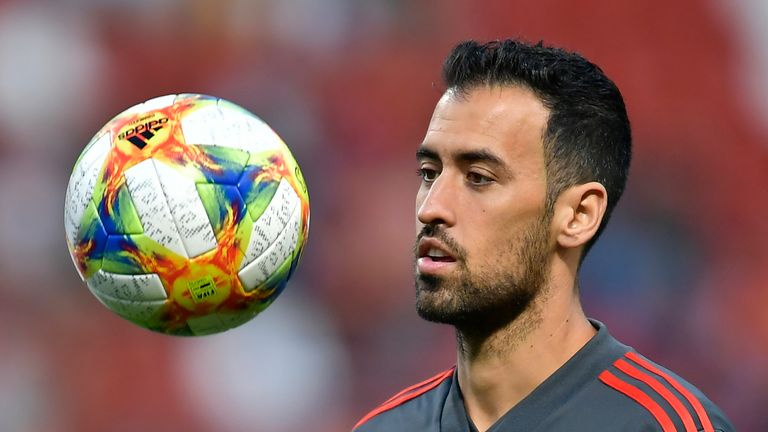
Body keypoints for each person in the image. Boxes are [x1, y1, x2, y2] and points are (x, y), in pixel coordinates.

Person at [352, 39, 734, 432]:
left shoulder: (666, 425)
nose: (430, 208)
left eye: (479, 178)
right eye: (429, 173)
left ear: (579, 215)